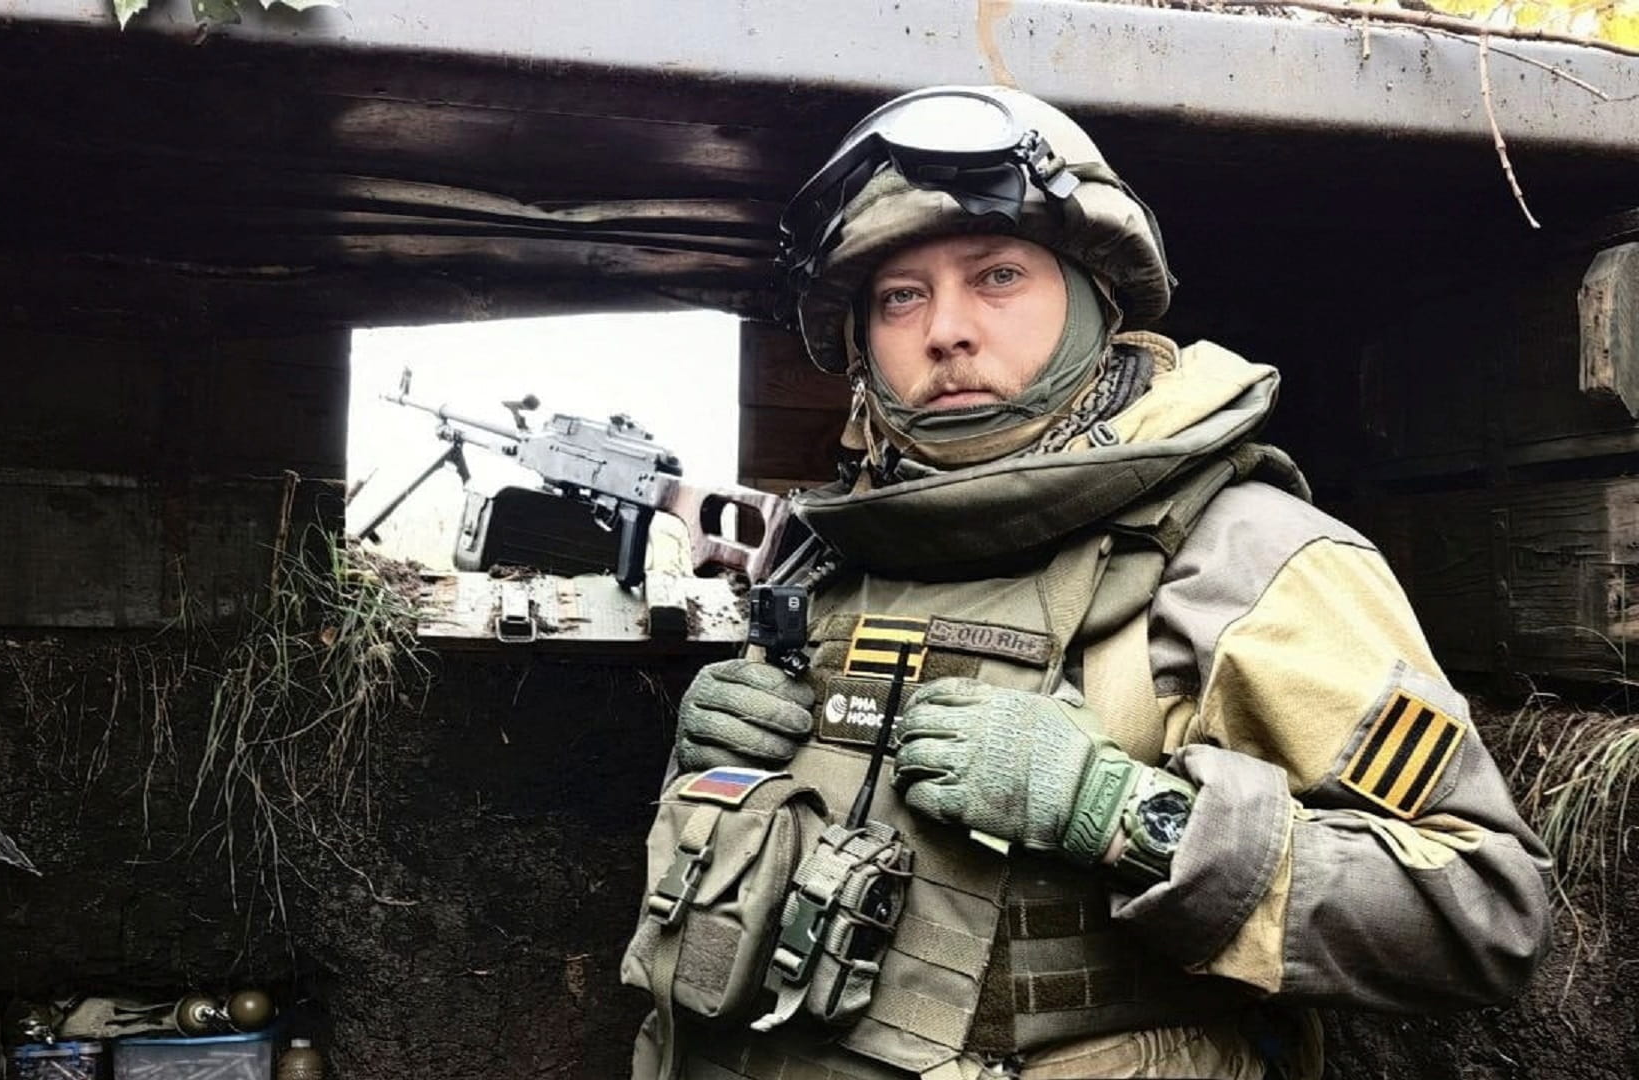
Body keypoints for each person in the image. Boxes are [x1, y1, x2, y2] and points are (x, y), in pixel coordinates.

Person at [630, 86, 1551, 1080]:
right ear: (860, 344)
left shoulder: (1247, 556)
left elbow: (1483, 912)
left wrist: (1120, 814)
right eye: (900, 296)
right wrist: (712, 770)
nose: (946, 330)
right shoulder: (827, 551)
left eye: (998, 276)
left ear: (1095, 300)